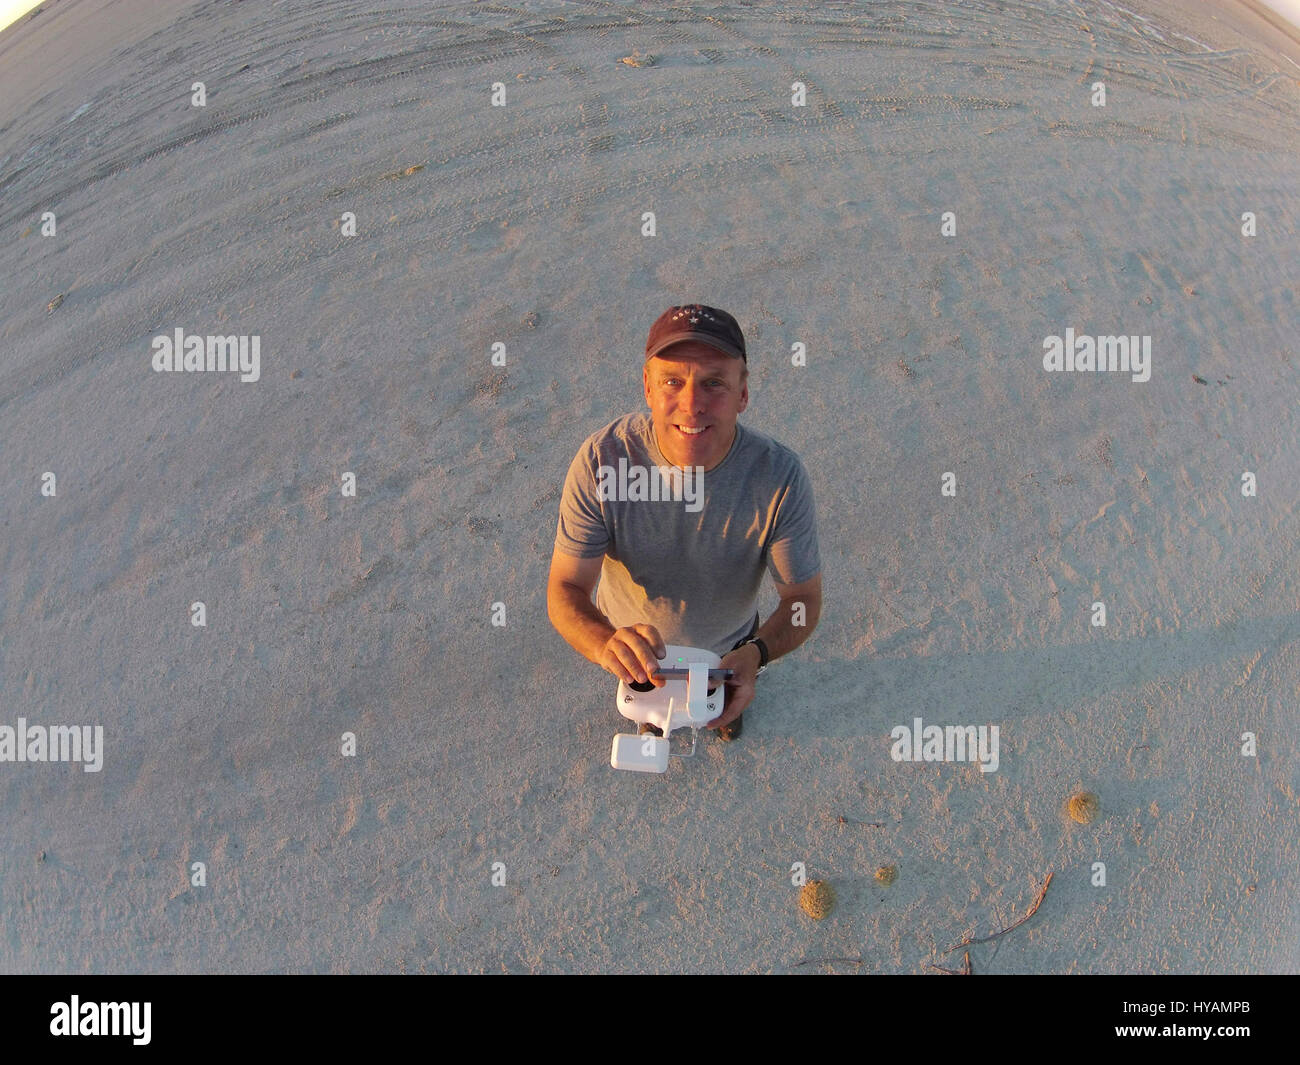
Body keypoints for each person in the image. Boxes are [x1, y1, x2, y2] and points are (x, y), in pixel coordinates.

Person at [546, 303, 822, 741]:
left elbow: (803, 598)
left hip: (731, 650)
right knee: (651, 709)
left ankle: (727, 711)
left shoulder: (780, 478)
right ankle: (653, 717)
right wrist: (606, 644)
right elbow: (566, 588)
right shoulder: (604, 462)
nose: (692, 405)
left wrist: (757, 653)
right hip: (637, 653)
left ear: (743, 393)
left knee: (725, 700)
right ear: (648, 388)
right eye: (673, 381)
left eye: (714, 383)